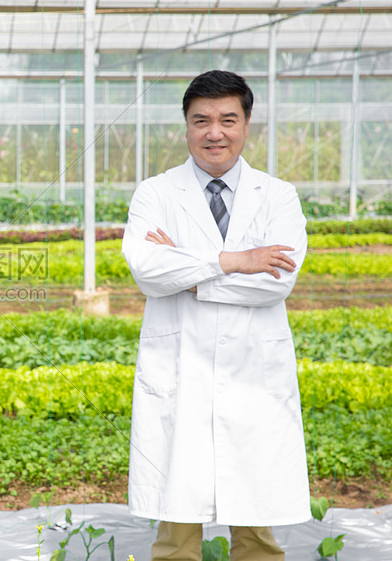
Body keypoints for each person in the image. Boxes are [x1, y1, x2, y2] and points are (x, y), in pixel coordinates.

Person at [121, 70, 310, 560]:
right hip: (181, 373)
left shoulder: (278, 196)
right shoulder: (156, 193)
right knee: (175, 534)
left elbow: (276, 283)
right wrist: (234, 259)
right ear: (185, 126)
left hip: (254, 379)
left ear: (247, 125)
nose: (214, 132)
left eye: (228, 119)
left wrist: (183, 266)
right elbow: (146, 271)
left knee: (257, 534)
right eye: (201, 120)